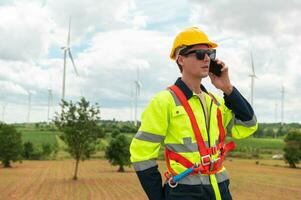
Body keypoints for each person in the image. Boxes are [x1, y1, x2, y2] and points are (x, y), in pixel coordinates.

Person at [130, 27, 258, 200]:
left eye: (210, 53)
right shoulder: (164, 101)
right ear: (181, 59)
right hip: (184, 192)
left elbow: (248, 126)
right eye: (199, 53)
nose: (207, 58)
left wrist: (228, 88)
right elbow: (141, 154)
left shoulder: (216, 102)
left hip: (221, 191)